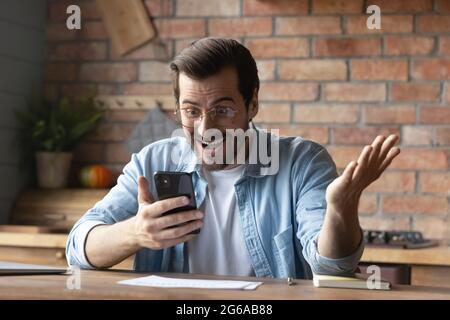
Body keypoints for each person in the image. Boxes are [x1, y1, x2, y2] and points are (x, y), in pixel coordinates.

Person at [66, 38, 400, 278]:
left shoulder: (302, 162)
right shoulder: (152, 163)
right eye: (191, 111)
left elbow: (333, 267)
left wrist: (342, 209)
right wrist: (135, 234)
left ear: (252, 103)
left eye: (222, 110)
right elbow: (79, 246)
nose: (205, 127)